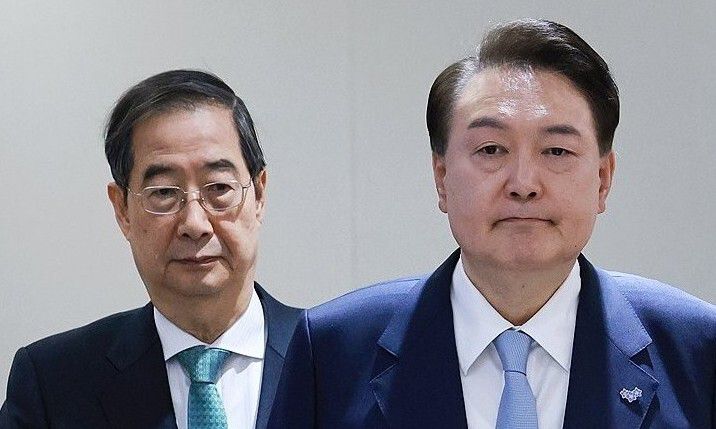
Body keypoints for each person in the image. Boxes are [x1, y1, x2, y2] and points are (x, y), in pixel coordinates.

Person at [268, 19, 715, 428]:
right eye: (491, 150)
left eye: (557, 151)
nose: (524, 184)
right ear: (441, 177)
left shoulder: (697, 348)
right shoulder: (331, 351)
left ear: (603, 179)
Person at [0, 69, 302, 429]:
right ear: (122, 210)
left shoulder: (340, 360)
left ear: (259, 194)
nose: (195, 224)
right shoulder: (54, 384)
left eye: (219, 188)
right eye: (163, 193)